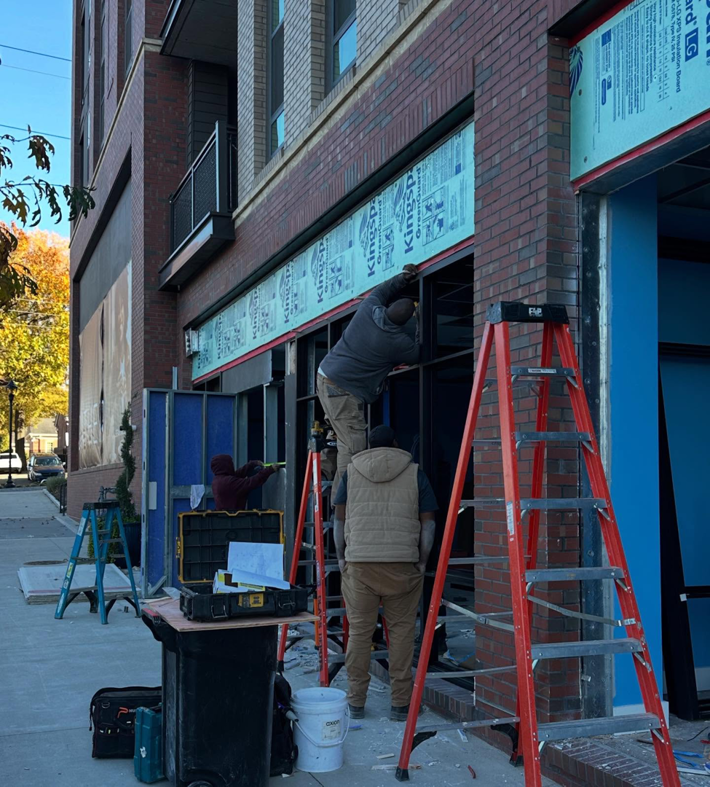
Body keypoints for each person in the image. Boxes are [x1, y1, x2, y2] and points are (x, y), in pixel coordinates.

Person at [332, 425, 437, 721]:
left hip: (360, 566)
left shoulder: (351, 472)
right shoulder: (415, 473)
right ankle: (400, 704)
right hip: (402, 565)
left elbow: (339, 521)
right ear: (395, 444)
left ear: (370, 446)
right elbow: (428, 524)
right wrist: (422, 561)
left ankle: (356, 702)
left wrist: (341, 557)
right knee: (402, 634)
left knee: (359, 633)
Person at [317, 264, 419, 492]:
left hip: (325, 375)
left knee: (341, 436)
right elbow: (418, 354)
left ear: (388, 307)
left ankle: (331, 479)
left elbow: (382, 290)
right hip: (342, 390)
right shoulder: (396, 342)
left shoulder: (368, 307)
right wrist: (421, 321)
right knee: (353, 447)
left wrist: (402, 278)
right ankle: (345, 500)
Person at [210, 455, 279, 511]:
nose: (232, 465)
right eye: (230, 463)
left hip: (227, 517)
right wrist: (270, 470)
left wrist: (251, 464)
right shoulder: (227, 483)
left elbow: (237, 474)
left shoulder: (218, 480)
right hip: (233, 518)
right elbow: (251, 482)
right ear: (226, 465)